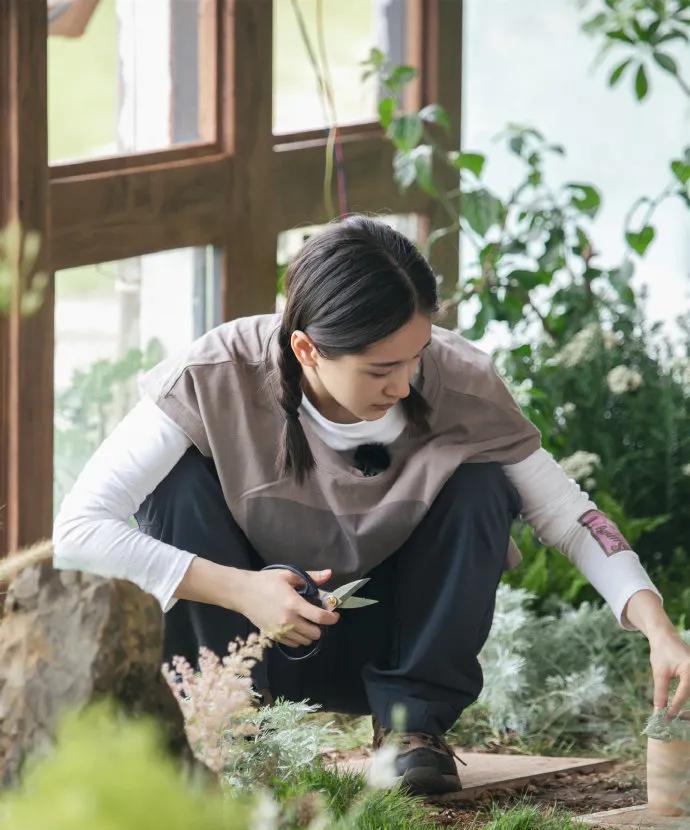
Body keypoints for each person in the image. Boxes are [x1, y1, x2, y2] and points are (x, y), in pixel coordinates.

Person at [52, 214, 690, 797]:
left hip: (384, 634)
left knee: (480, 486)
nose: (405, 384)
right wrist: (242, 589)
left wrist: (659, 629)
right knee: (178, 484)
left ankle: (410, 729)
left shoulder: (460, 381)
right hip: (251, 634)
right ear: (306, 350)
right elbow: (78, 531)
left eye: (417, 355)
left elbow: (569, 516)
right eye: (381, 367)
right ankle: (231, 726)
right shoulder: (215, 373)